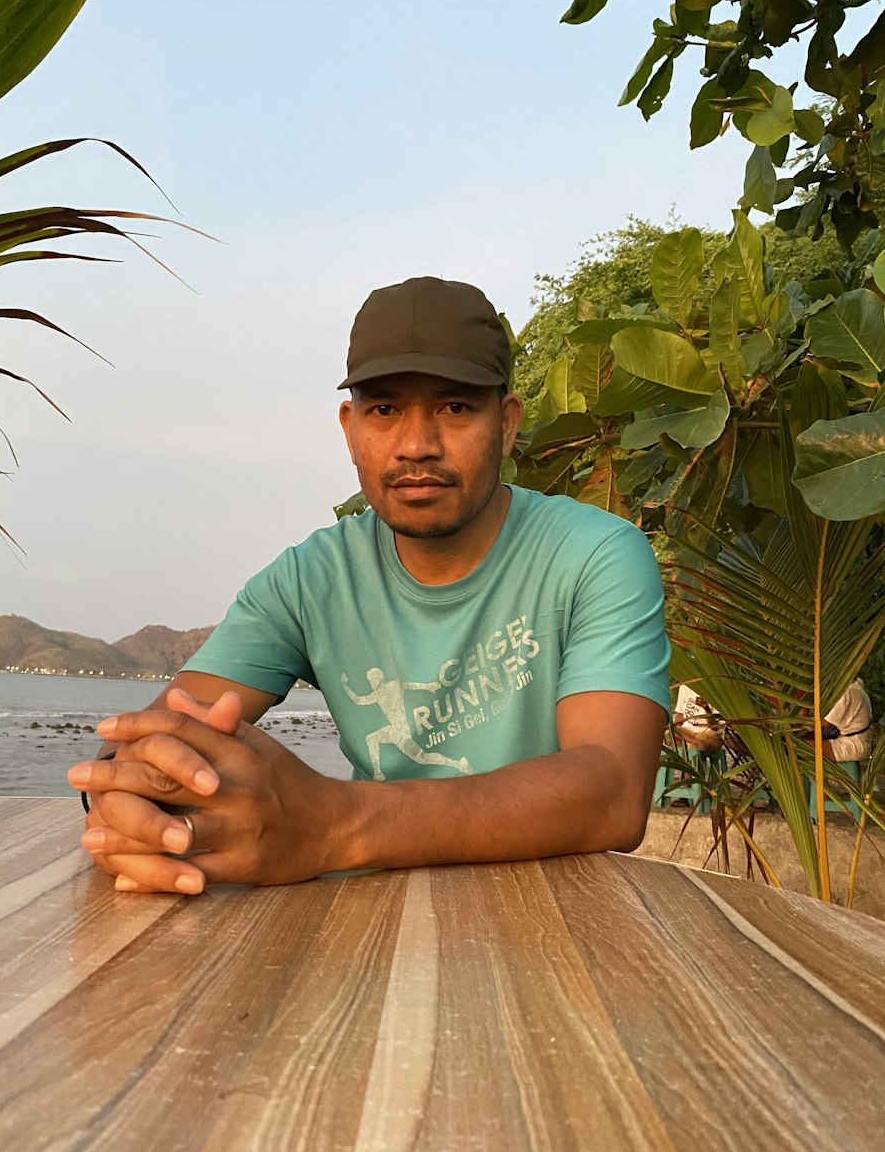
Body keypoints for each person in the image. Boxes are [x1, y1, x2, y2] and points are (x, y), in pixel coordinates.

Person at [69, 276, 671, 894]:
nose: (417, 445)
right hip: (374, 916)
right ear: (350, 427)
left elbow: (613, 791)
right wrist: (134, 799)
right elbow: (165, 735)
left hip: (557, 914)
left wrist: (337, 824)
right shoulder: (310, 579)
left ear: (508, 423)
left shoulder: (596, 554)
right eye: (384, 410)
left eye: (456, 407)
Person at [821, 679, 874, 762]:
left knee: (802, 745)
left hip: (854, 743)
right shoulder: (851, 687)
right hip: (846, 736)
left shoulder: (847, 692)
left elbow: (824, 723)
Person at [672, 683, 725, 753]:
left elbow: (717, 726)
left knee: (691, 746)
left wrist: (706, 709)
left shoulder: (715, 689)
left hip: (708, 732)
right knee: (665, 737)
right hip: (687, 731)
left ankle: (692, 758)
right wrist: (678, 730)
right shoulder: (685, 688)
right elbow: (680, 715)